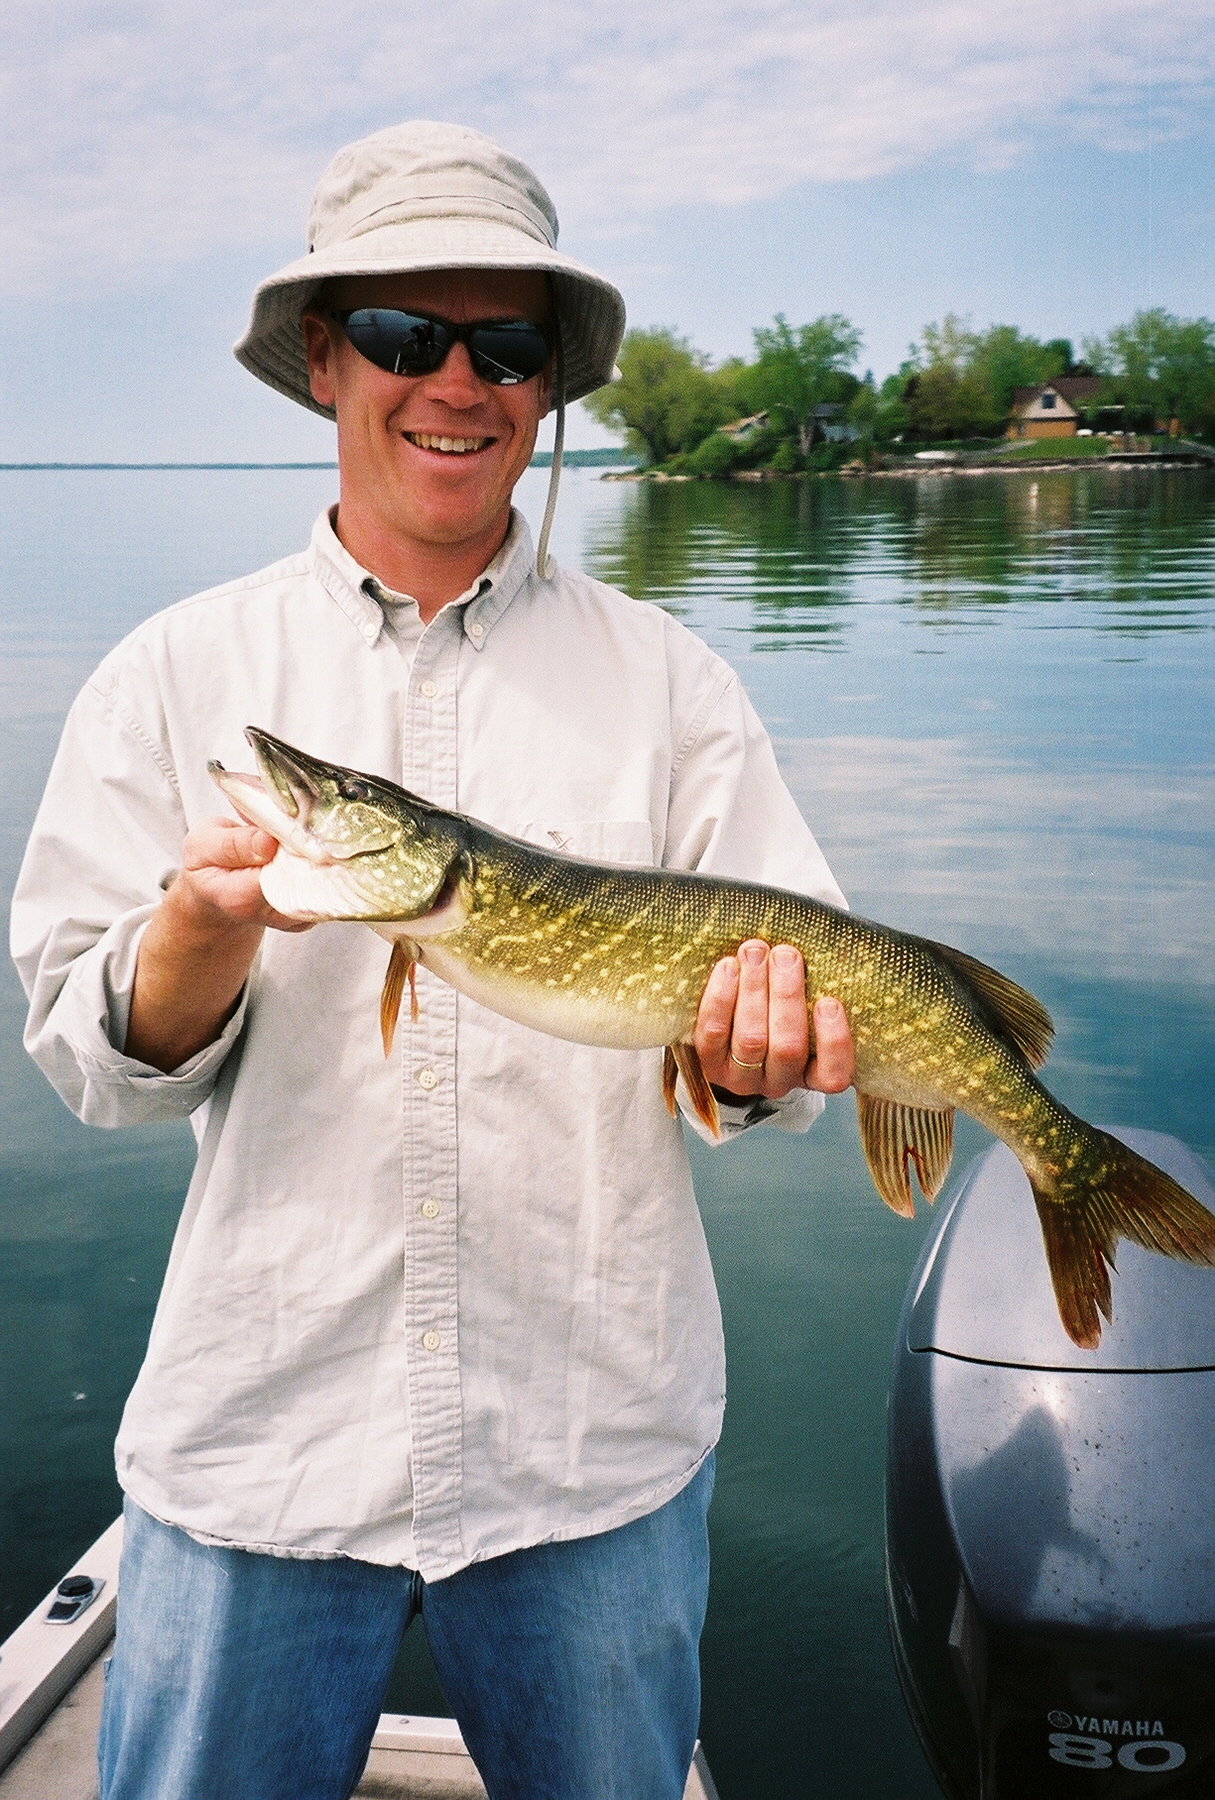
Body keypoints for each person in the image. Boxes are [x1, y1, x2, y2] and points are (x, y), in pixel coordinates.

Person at [11, 121, 854, 1800]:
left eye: (507, 344)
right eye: (405, 335)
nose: (454, 383)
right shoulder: (177, 673)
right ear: (326, 360)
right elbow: (86, 1059)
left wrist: (761, 1065)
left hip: (590, 1449)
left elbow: (771, 1062)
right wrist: (194, 931)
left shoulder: (673, 682)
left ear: (546, 386)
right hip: (264, 1438)